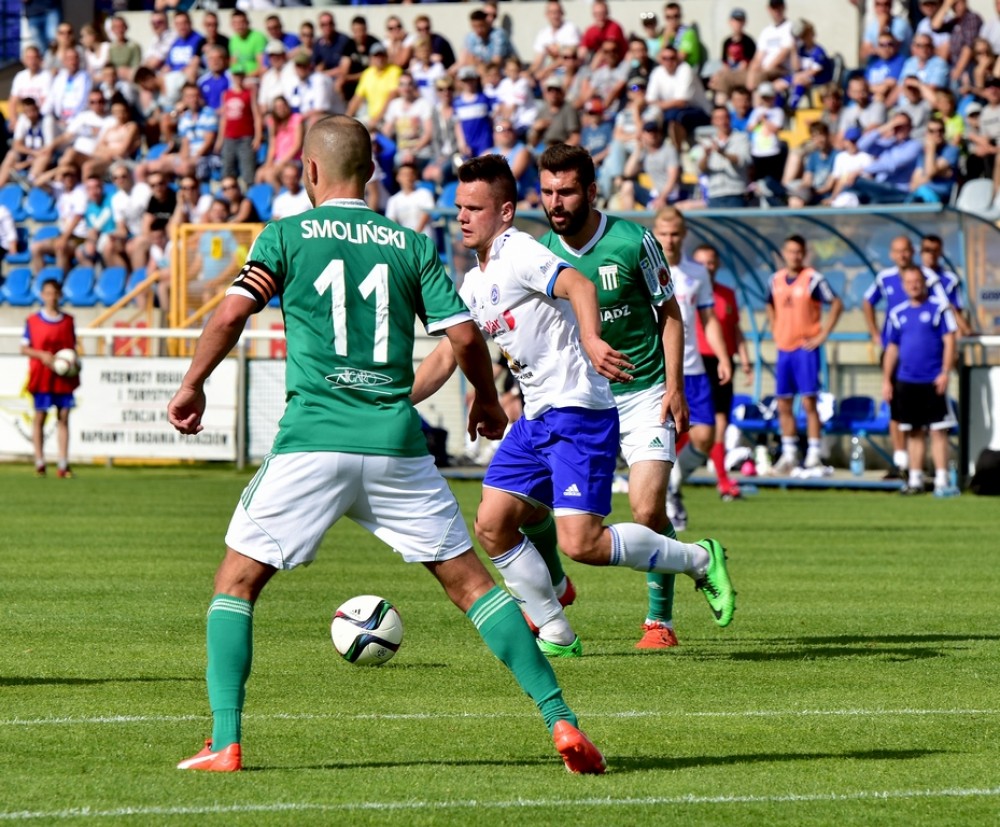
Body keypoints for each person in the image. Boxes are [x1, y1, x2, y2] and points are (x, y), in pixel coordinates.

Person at [167, 115, 605, 776]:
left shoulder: (285, 235)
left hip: (314, 438)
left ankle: (224, 741)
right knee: (473, 587)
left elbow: (231, 313)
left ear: (310, 170)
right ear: (371, 173)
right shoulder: (408, 245)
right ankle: (560, 718)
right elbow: (464, 337)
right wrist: (487, 400)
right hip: (396, 444)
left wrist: (193, 383)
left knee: (236, 582)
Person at [413, 154, 736, 659]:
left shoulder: (528, 250)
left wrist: (600, 343)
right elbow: (449, 351)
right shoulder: (476, 281)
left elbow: (588, 288)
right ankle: (556, 627)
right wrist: (394, 401)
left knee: (602, 532)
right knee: (492, 523)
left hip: (591, 403)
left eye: (474, 208)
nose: (461, 217)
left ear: (505, 211)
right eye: (459, 207)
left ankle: (692, 566)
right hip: (540, 413)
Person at [535, 144, 696, 650]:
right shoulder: (541, 253)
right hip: (579, 401)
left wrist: (674, 387)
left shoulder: (633, 241)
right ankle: (553, 592)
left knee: (647, 510)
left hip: (644, 391)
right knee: (525, 505)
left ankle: (660, 621)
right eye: (547, 192)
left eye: (565, 192)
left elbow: (669, 314)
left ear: (591, 191)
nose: (555, 203)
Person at [651, 208, 733, 531]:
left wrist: (723, 357)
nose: (669, 240)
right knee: (659, 439)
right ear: (655, 233)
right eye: (664, 234)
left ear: (683, 235)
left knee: (704, 436)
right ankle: (659, 500)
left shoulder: (696, 273)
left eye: (675, 234)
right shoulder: (643, 268)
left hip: (693, 369)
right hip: (657, 368)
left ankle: (672, 485)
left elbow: (709, 320)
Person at [863, 234, 949, 479]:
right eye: (897, 251)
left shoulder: (928, 277)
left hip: (925, 357)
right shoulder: (885, 277)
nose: (902, 255)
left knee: (931, 422)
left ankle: (930, 470)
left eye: (906, 250)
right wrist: (874, 332)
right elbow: (867, 301)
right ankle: (900, 462)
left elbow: (947, 309)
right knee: (896, 408)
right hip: (897, 348)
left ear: (912, 252)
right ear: (891, 254)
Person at [765, 235, 843, 475]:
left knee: (809, 401)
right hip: (784, 349)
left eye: (799, 252)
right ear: (784, 253)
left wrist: (822, 335)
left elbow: (836, 303)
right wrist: (775, 327)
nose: (794, 256)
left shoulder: (813, 279)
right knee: (783, 402)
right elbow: (769, 303)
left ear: (804, 254)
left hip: (805, 349)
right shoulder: (775, 280)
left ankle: (813, 453)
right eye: (790, 251)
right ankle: (789, 453)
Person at [882, 265, 959, 497]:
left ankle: (942, 480)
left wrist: (945, 371)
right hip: (907, 380)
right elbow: (892, 348)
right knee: (914, 432)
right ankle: (915, 479)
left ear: (924, 282)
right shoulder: (898, 313)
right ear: (903, 285)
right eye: (909, 282)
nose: (914, 285)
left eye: (917, 281)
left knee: (938, 431)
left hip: (933, 380)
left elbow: (949, 341)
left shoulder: (939, 308)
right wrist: (887, 380)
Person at [691, 243, 753, 500]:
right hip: (694, 362)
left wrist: (745, 359)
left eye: (711, 261)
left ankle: (722, 479)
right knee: (689, 423)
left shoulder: (727, 294)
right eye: (702, 262)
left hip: (722, 361)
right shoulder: (685, 290)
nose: (707, 266)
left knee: (720, 421)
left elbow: (735, 329)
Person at [21, 279, 79, 479]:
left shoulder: (68, 320)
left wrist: (72, 362)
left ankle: (63, 464)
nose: (51, 297)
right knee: (40, 417)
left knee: (64, 416)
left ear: (59, 295)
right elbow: (24, 347)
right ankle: (39, 462)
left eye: (54, 293)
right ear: (42, 295)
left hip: (63, 378)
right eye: (47, 293)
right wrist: (41, 355)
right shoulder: (33, 321)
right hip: (42, 375)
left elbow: (72, 347)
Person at [920, 233, 974, 337]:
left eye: (935, 250)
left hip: (945, 333)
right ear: (921, 252)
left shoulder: (950, 279)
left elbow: (956, 309)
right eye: (927, 250)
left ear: (941, 252)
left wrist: (964, 329)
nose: (931, 254)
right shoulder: (912, 278)